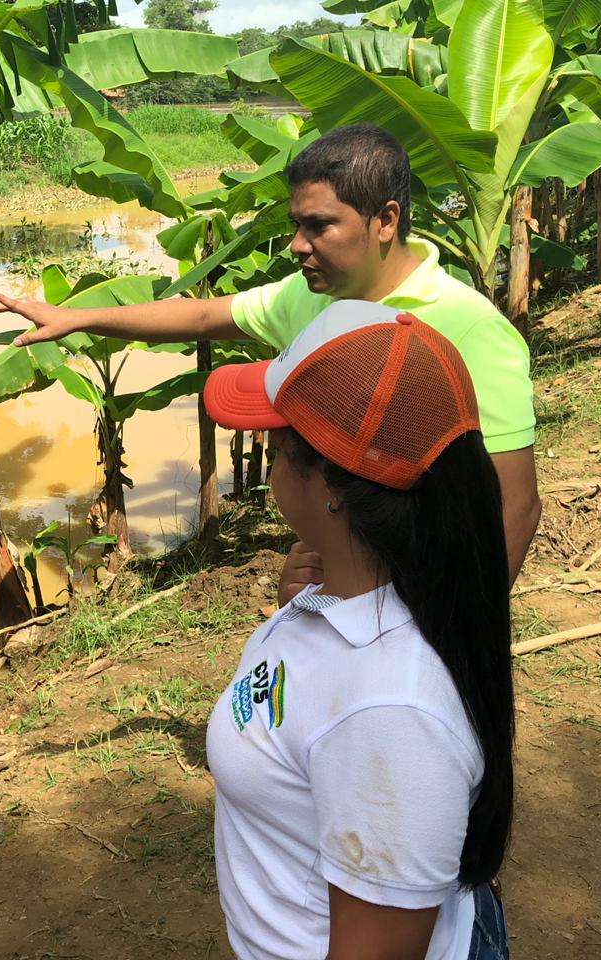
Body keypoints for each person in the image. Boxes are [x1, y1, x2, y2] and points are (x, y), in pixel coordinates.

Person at [0, 123, 541, 601]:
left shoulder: (471, 330)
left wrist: (463, 631)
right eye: (295, 225)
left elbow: (515, 507)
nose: (298, 245)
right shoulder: (308, 299)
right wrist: (81, 319)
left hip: (429, 583)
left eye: (319, 225)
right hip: (348, 577)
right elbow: (203, 318)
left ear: (386, 220)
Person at [201, 301, 514, 960]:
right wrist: (303, 611)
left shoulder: (391, 713)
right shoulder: (381, 584)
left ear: (332, 487)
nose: (269, 465)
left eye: (278, 450)